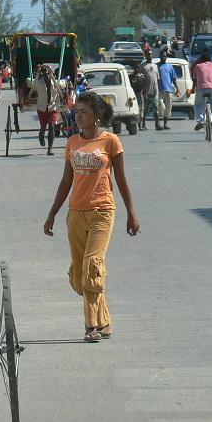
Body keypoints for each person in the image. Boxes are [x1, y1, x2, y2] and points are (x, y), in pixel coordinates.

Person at [43, 91, 140, 342]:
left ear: (96, 116)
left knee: (92, 267)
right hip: (75, 213)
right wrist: (52, 213)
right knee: (79, 275)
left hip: (102, 212)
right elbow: (66, 182)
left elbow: (121, 180)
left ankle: (92, 326)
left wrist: (131, 213)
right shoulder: (72, 142)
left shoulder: (111, 142)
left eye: (84, 112)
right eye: (77, 111)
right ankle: (105, 321)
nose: (78, 116)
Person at [26, 64, 63, 155]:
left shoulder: (56, 83)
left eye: (47, 73)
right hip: (42, 109)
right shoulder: (38, 83)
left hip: (52, 108)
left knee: (51, 127)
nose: (46, 75)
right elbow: (29, 82)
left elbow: (64, 83)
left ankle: (49, 149)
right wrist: (38, 73)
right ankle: (41, 134)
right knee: (43, 127)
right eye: (44, 73)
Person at [191, 49, 212, 130]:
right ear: (210, 59)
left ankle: (200, 120)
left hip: (201, 88)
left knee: (198, 104)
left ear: (201, 59)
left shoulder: (197, 66)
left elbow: (195, 80)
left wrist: (193, 89)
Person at [157, 50, 180, 130]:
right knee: (160, 105)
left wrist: (177, 89)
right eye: (162, 56)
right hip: (159, 90)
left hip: (168, 90)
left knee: (168, 107)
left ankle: (165, 124)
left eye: (165, 56)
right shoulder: (156, 66)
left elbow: (174, 78)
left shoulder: (170, 66)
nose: (164, 57)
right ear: (160, 56)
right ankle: (158, 123)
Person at [140, 50, 161, 130]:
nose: (150, 56)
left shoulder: (155, 66)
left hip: (155, 91)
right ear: (145, 55)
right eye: (148, 54)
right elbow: (140, 78)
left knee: (156, 108)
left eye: (151, 54)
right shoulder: (142, 66)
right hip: (146, 91)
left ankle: (157, 124)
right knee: (145, 109)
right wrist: (142, 89)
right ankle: (143, 124)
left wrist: (158, 88)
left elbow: (157, 78)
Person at [129, 63, 147, 131]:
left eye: (137, 68)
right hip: (133, 95)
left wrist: (144, 93)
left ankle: (140, 126)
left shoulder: (142, 76)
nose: (136, 69)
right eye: (135, 68)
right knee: (133, 110)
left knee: (141, 110)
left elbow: (144, 86)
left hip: (140, 94)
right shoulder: (131, 76)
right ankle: (134, 126)